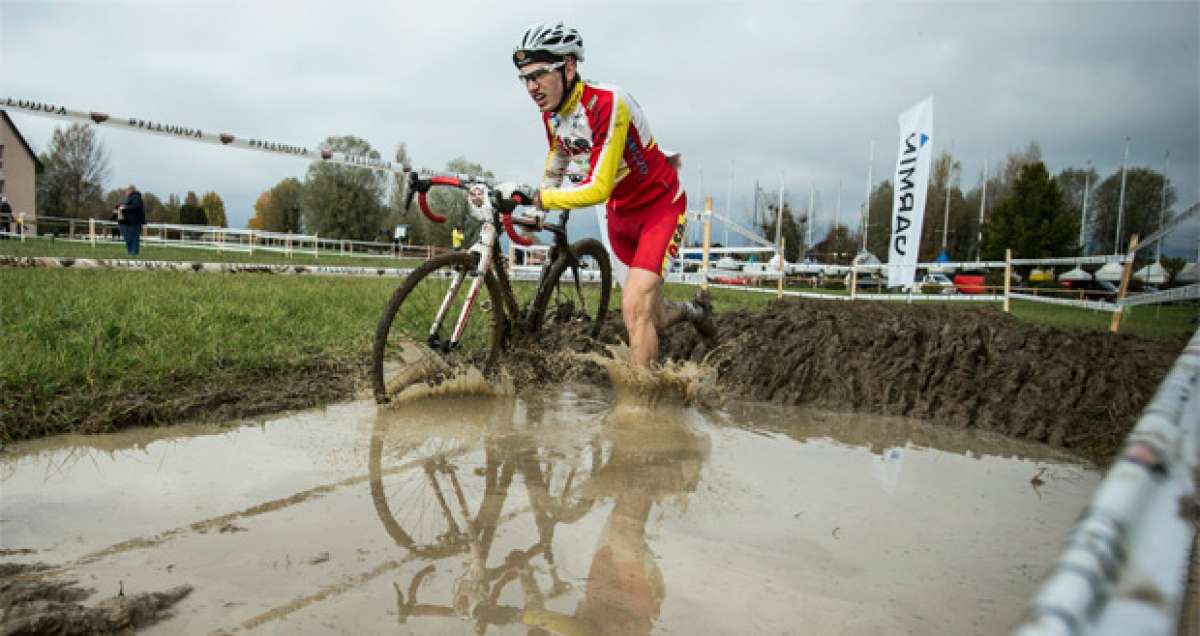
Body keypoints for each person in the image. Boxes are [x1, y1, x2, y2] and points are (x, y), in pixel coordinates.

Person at [512, 22, 716, 367]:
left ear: (569, 67)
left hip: (659, 208)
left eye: (539, 74)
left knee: (635, 310)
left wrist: (540, 199)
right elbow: (558, 158)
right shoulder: (553, 115)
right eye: (525, 79)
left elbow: (598, 187)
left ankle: (640, 400)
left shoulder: (608, 102)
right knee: (649, 317)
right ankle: (694, 311)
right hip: (619, 216)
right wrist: (538, 211)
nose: (532, 87)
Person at [114, 184, 146, 256]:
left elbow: (135, 206)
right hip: (130, 222)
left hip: (134, 222)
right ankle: (131, 252)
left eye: (126, 190)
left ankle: (133, 253)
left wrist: (124, 207)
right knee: (130, 238)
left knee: (133, 238)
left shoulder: (135, 197)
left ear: (130, 190)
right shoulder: (132, 197)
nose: (125, 192)